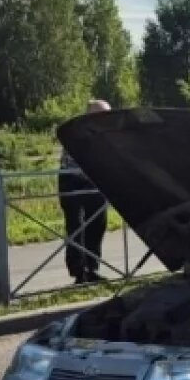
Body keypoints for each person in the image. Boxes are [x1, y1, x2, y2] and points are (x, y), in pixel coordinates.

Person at [58, 99, 111, 284]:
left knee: (98, 224)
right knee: (76, 226)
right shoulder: (77, 132)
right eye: (101, 115)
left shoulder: (105, 133)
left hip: (95, 182)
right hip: (73, 181)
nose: (106, 119)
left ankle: (92, 268)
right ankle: (79, 272)